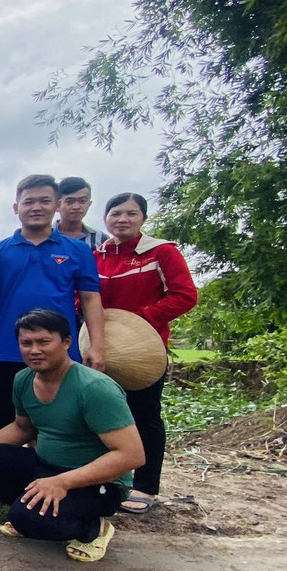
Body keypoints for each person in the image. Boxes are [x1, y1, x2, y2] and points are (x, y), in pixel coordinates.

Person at [0, 309, 144, 563]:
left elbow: (132, 455)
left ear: (66, 342)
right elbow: (22, 428)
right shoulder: (23, 379)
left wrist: (62, 482)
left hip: (97, 485)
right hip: (46, 469)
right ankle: (33, 504)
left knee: (23, 519)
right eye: (26, 343)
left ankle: (93, 529)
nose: (34, 350)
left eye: (43, 342)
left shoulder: (94, 388)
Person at [0, 173, 107, 447]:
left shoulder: (77, 251)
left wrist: (97, 346)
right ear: (16, 208)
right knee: (2, 417)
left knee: (59, 420)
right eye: (28, 201)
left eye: (44, 200)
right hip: (6, 350)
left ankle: (53, 481)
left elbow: (91, 299)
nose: (36, 207)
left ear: (56, 204)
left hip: (60, 352)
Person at [98, 192, 199, 513]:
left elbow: (185, 295)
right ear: (105, 219)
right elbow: (83, 296)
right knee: (102, 417)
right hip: (101, 351)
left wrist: (141, 319)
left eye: (131, 214)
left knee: (144, 416)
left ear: (143, 218)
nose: (122, 220)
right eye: (115, 214)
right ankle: (108, 480)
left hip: (143, 353)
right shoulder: (98, 255)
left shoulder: (161, 252)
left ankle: (145, 487)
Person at [55, 176, 109, 251]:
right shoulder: (43, 236)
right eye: (70, 201)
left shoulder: (101, 239)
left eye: (82, 201)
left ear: (89, 204)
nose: (76, 207)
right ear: (57, 205)